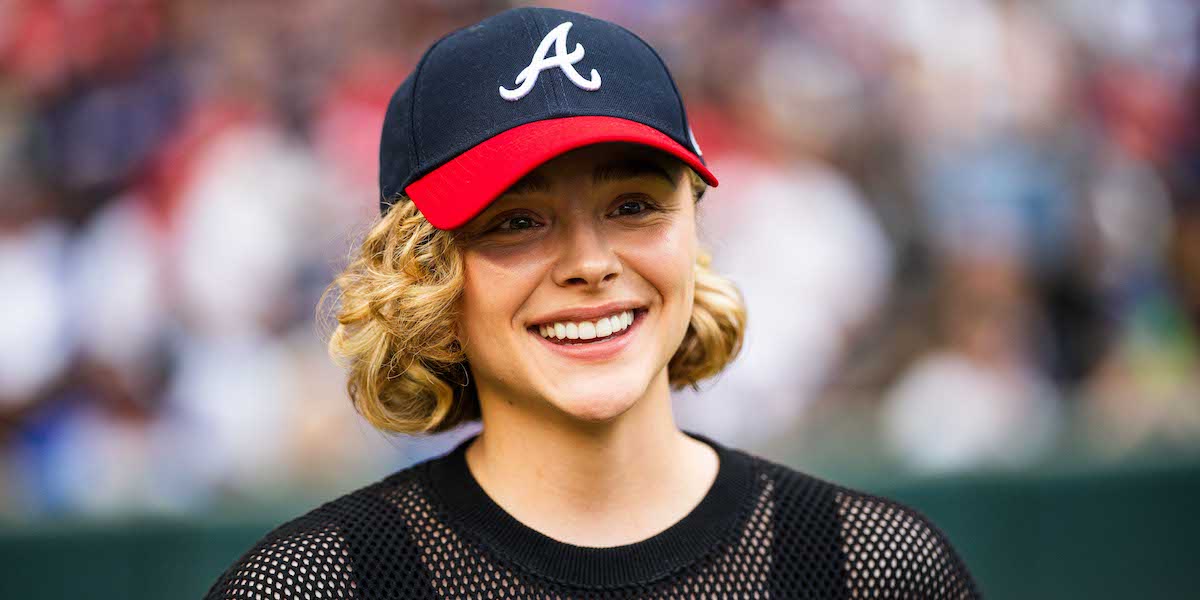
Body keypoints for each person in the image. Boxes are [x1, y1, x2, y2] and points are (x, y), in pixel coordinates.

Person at [204, 7, 980, 599]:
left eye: (634, 205)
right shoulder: (316, 586)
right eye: (516, 221)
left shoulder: (872, 567)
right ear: (423, 273)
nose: (590, 263)